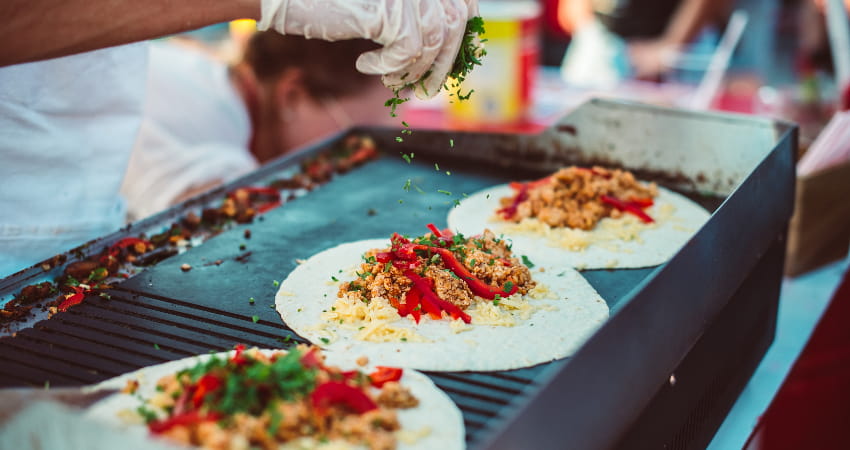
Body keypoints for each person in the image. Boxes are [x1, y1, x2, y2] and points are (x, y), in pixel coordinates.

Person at [0, 0, 479, 278]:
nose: (356, 155)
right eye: (355, 135)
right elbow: (186, 187)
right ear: (291, 93)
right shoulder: (205, 117)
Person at [120, 33, 395, 220]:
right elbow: (201, 212)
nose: (362, 155)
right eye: (358, 137)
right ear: (292, 96)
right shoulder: (201, 127)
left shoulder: (209, 81)